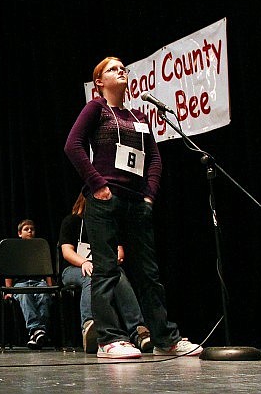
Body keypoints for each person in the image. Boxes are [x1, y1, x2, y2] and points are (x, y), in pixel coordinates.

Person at [64, 56, 202, 358]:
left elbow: (154, 158)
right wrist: (97, 185)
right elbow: (72, 145)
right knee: (106, 271)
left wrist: (150, 195)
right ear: (99, 82)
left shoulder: (139, 116)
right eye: (112, 69)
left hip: (137, 202)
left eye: (123, 68)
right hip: (105, 201)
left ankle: (166, 339)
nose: (120, 71)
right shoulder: (96, 109)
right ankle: (109, 339)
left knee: (148, 273)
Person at [59, 194, 152, 354]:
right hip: (74, 269)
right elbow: (67, 252)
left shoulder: (107, 224)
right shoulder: (72, 221)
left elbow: (119, 252)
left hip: (101, 267)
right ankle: (90, 326)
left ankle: (138, 331)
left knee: (118, 274)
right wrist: (85, 262)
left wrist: (107, 264)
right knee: (91, 273)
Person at [3, 219, 53, 350]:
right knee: (24, 296)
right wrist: (8, 290)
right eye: (26, 229)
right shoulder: (14, 251)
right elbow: (8, 272)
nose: (30, 231)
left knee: (44, 295)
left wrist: (50, 286)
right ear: (20, 233)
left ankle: (35, 334)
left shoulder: (40, 249)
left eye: (32, 229)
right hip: (20, 283)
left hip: (39, 282)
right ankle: (38, 331)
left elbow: (47, 270)